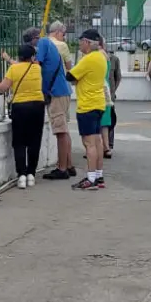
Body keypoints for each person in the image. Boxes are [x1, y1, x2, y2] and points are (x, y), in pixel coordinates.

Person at [0, 40, 45, 189]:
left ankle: (21, 175)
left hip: (20, 107)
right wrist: (9, 60)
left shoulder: (13, 70)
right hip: (38, 106)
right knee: (35, 141)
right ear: (32, 57)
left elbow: (2, 88)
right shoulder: (37, 68)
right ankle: (31, 175)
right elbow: (25, 64)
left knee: (19, 142)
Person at [24, 27, 76, 181]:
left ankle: (62, 169)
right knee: (63, 130)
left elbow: (35, 66)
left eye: (30, 45)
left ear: (34, 38)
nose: (31, 49)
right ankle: (69, 165)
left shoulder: (44, 43)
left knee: (60, 131)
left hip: (56, 93)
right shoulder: (48, 44)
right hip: (61, 90)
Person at [66, 29, 107, 190]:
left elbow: (70, 77)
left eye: (81, 41)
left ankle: (90, 178)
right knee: (97, 142)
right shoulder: (101, 57)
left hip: (87, 105)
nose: (80, 44)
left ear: (88, 43)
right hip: (98, 103)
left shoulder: (88, 59)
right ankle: (98, 175)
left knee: (89, 143)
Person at [105, 38, 122, 150]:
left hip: (109, 96)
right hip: (95, 95)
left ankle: (109, 145)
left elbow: (118, 77)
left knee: (109, 119)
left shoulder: (114, 59)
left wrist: (113, 91)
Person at [99, 41, 114, 158]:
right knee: (104, 123)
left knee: (97, 121)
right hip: (107, 89)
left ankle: (99, 147)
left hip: (99, 89)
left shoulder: (98, 55)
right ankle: (106, 147)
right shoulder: (106, 56)